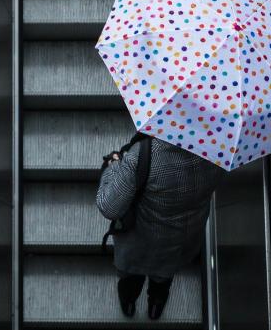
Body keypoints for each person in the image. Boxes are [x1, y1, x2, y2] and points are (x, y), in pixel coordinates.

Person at [96, 136, 227, 320]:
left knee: (131, 276)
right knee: (164, 277)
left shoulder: (145, 154)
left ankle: (129, 301)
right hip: (185, 236)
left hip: (141, 239)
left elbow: (108, 206)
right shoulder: (223, 148)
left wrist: (114, 165)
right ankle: (155, 306)